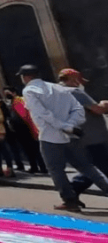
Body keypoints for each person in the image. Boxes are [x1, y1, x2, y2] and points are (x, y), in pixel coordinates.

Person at [18, 65, 108, 212]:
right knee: (87, 167)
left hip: (50, 136)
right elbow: (77, 109)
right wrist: (71, 126)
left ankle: (70, 201)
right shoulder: (58, 88)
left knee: (56, 170)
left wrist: (64, 126)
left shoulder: (29, 90)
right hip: (71, 135)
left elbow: (42, 114)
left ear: (25, 77)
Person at [57, 69, 108, 198]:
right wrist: (104, 104)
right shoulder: (75, 92)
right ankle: (71, 193)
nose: (81, 82)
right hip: (93, 137)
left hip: (78, 137)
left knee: (93, 167)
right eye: (80, 79)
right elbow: (98, 110)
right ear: (73, 78)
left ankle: (72, 193)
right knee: (101, 166)